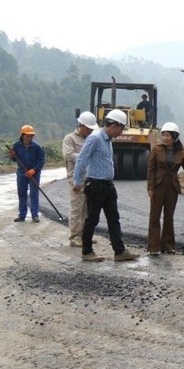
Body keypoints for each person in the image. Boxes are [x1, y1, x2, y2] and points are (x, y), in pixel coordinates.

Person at [72, 109, 140, 262]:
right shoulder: (95, 138)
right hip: (95, 186)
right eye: (122, 128)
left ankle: (119, 251)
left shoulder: (108, 140)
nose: (121, 132)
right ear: (114, 125)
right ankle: (87, 251)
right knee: (92, 220)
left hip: (108, 186)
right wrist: (77, 182)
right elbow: (81, 159)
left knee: (114, 219)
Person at [147, 122, 184, 255]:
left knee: (169, 217)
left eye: (168, 135)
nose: (165, 138)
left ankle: (168, 245)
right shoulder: (156, 149)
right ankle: (153, 247)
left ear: (174, 136)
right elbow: (150, 169)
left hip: (172, 188)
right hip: (158, 187)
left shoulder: (182, 153)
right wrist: (150, 187)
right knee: (154, 217)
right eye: (164, 135)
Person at [62, 111, 98, 247]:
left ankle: (85, 235)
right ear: (81, 125)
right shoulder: (69, 139)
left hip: (89, 177)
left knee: (87, 209)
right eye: (88, 128)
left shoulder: (92, 138)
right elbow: (69, 155)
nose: (89, 131)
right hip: (75, 177)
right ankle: (74, 237)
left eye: (91, 129)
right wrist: (85, 156)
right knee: (77, 207)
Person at [9, 125, 45, 222]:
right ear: (23, 135)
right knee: (22, 194)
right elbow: (14, 159)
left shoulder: (37, 147)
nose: (30, 138)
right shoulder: (16, 146)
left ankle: (34, 215)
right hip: (21, 172)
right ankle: (22, 215)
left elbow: (41, 161)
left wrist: (34, 170)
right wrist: (12, 155)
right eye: (28, 136)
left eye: (31, 136)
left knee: (34, 194)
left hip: (34, 173)